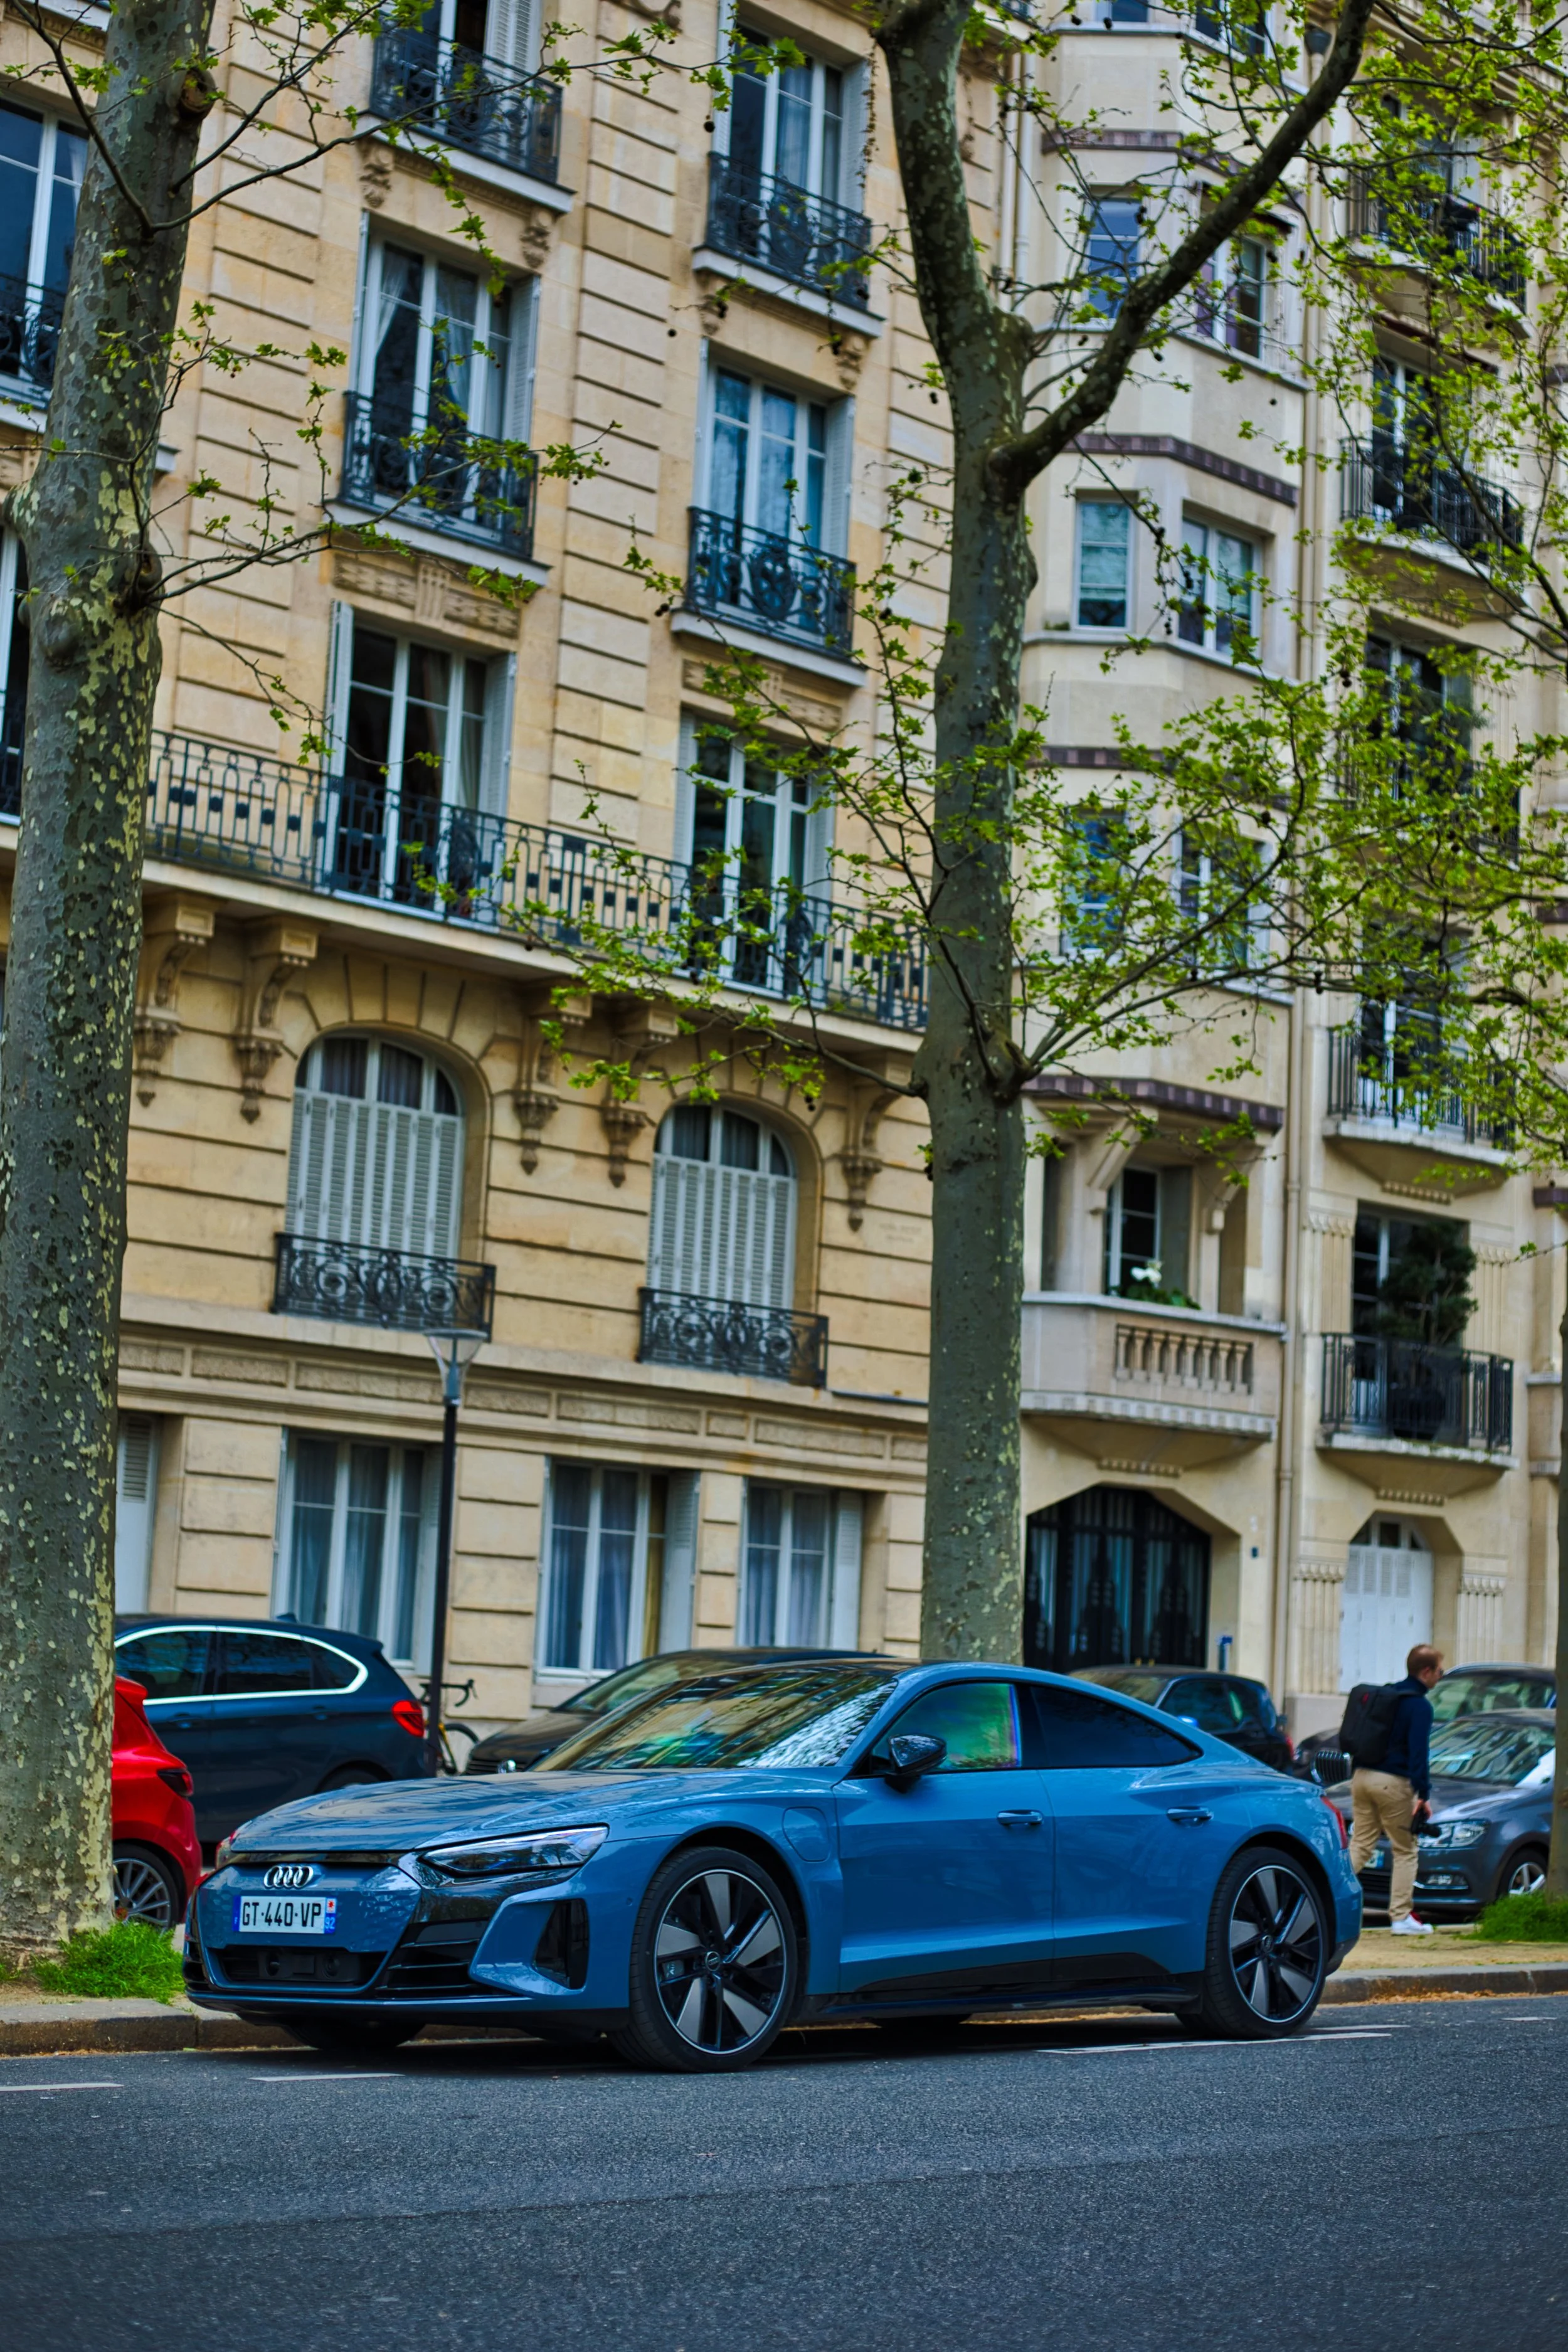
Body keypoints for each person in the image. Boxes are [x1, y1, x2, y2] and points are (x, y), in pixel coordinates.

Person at [1347, 1643, 1444, 1937]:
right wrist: (1423, 1794)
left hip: (1361, 1777)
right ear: (1426, 1672)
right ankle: (1401, 1917)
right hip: (1392, 1783)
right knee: (1405, 1850)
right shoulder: (1419, 1706)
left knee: (1361, 1844)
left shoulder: (1386, 1695)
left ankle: (1321, 1897)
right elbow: (1418, 1753)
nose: (1441, 1676)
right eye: (1440, 1671)